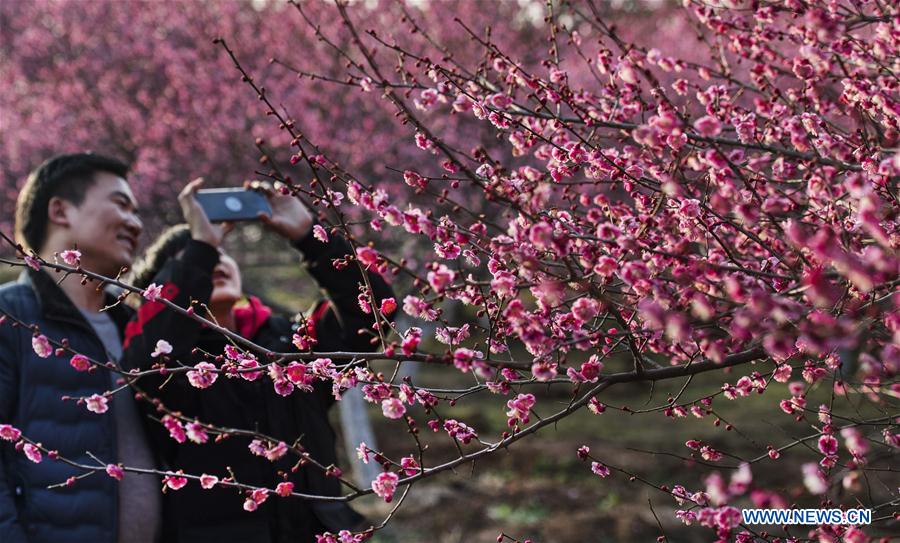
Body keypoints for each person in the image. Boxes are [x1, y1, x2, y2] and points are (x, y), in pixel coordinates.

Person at [123, 178, 394, 542]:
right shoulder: (170, 364)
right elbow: (147, 362)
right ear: (167, 286)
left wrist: (306, 234)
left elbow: (373, 314)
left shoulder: (289, 344)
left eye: (220, 253)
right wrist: (200, 247)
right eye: (194, 259)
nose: (213, 260)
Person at [0, 153, 162, 543]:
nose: (135, 223)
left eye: (137, 212)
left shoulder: (135, 328)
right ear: (60, 210)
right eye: (121, 204)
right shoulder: (9, 316)